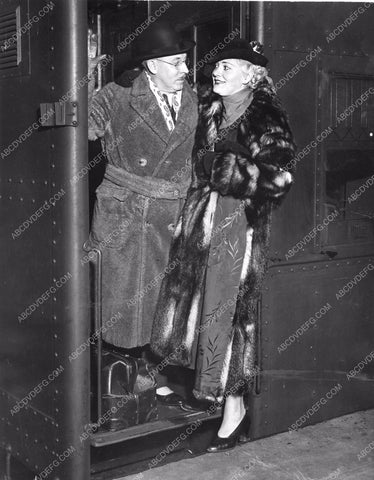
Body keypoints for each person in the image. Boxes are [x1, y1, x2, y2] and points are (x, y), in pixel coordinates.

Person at [151, 39, 296, 449]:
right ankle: (200, 394)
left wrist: (229, 169)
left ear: (251, 75)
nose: (217, 73)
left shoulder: (267, 115)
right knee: (194, 312)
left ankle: (233, 413)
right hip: (200, 227)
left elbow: (282, 177)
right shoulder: (211, 108)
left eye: (228, 67)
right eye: (217, 66)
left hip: (237, 228)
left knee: (228, 314)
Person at [87, 21, 198, 410]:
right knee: (121, 306)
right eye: (175, 63)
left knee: (161, 305)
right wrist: (83, 80)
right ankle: (115, 398)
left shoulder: (193, 98)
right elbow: (81, 127)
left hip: (172, 211)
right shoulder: (116, 97)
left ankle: (150, 381)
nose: (185, 70)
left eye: (185, 62)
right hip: (126, 212)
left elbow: (193, 157)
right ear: (151, 66)